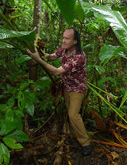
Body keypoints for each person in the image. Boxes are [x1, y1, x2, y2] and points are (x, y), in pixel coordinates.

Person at [27, 28, 92, 156]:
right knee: (70, 113)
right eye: (63, 37)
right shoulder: (64, 49)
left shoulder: (79, 56)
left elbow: (57, 71)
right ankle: (75, 133)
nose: (63, 40)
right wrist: (40, 53)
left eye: (67, 38)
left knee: (73, 115)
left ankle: (86, 144)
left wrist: (38, 60)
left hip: (77, 89)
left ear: (75, 41)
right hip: (66, 87)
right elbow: (52, 57)